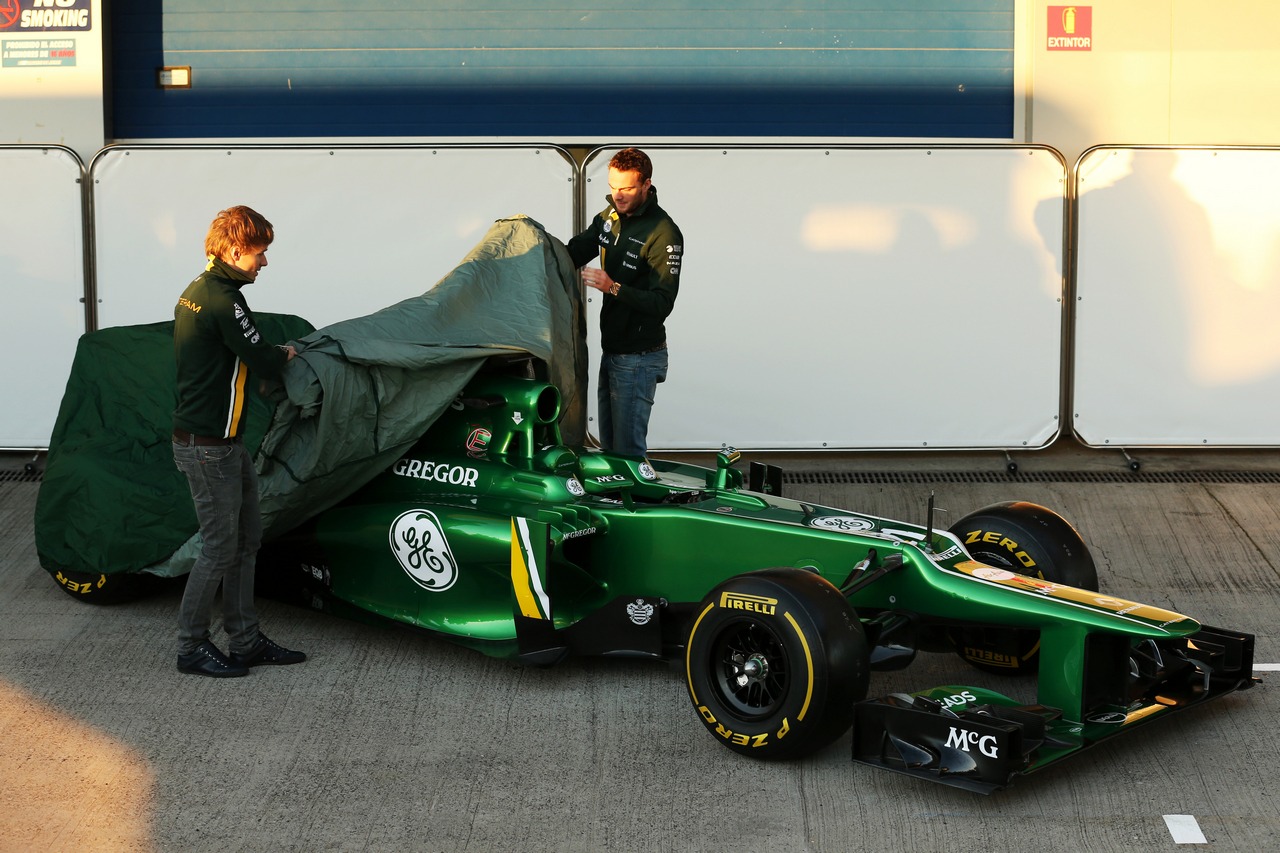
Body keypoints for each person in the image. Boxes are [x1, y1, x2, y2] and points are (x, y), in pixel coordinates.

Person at [171, 205, 306, 678]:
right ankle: (191, 646)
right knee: (219, 547)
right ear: (233, 250)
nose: (264, 263)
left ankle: (245, 641)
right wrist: (284, 354)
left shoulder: (198, 291)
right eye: (259, 253)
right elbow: (264, 360)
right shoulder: (221, 300)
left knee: (247, 540)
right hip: (209, 447)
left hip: (224, 443)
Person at [566, 147, 683, 457]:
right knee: (610, 452)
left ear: (646, 184)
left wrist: (613, 287)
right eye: (613, 187)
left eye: (627, 188)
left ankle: (635, 504)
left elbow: (662, 303)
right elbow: (573, 252)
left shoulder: (663, 233)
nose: (618, 195)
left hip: (640, 358)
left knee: (627, 454)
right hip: (613, 351)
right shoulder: (609, 217)